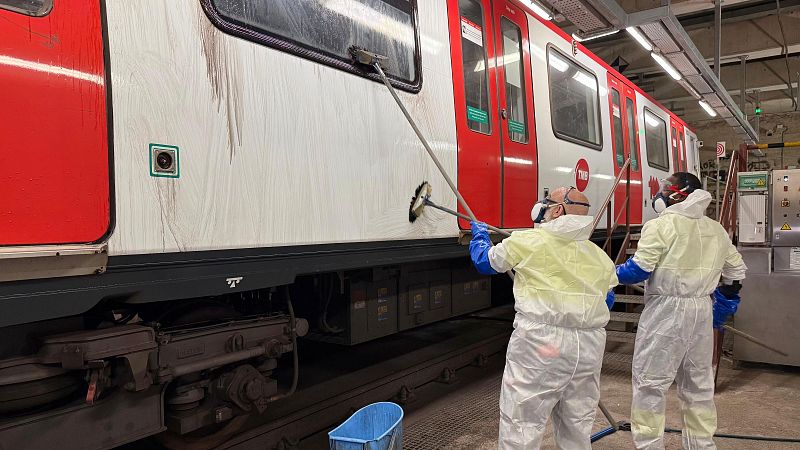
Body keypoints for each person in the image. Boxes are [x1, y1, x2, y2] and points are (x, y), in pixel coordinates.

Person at [469, 186, 618, 450]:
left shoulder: (527, 240)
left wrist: (479, 237)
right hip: (588, 347)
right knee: (577, 423)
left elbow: (486, 262)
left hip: (541, 344)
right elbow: (607, 300)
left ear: (557, 210)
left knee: (522, 423)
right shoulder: (600, 257)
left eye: (547, 201)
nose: (541, 205)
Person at [616, 172, 747, 450]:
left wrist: (608, 273)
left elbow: (638, 270)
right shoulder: (716, 229)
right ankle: (701, 445)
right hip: (701, 310)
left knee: (650, 384)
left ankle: (650, 445)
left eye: (666, 188)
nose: (660, 193)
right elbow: (735, 274)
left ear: (679, 194)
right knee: (698, 384)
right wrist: (723, 305)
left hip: (666, 311)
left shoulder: (660, 225)